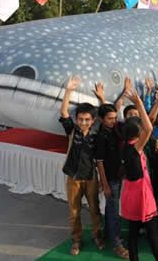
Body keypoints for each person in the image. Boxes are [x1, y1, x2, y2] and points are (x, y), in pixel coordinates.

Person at [119, 90, 158, 261]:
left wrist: (155, 104)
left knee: (133, 232)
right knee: (153, 232)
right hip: (142, 194)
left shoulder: (127, 146)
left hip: (130, 192)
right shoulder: (136, 148)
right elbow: (149, 126)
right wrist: (139, 102)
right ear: (138, 133)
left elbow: (147, 123)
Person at [59, 76, 103, 256]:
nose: (83, 122)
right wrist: (68, 90)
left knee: (95, 209)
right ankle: (76, 239)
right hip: (73, 176)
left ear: (92, 120)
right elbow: (63, 113)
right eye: (81, 119)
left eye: (87, 119)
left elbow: (104, 114)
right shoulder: (72, 130)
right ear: (77, 119)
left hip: (91, 177)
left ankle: (96, 235)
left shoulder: (96, 132)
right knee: (74, 211)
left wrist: (102, 98)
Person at [96, 103, 130, 259]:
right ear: (101, 119)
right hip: (110, 179)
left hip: (118, 175)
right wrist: (104, 184)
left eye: (115, 117)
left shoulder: (115, 130)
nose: (113, 121)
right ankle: (117, 245)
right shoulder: (101, 136)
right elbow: (100, 162)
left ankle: (111, 236)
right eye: (109, 118)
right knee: (113, 211)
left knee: (113, 209)